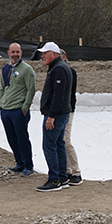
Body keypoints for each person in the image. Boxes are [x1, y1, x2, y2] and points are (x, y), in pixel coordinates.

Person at [36, 42, 74, 191]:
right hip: (61, 113)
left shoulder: (58, 69)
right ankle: (62, 177)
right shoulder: (58, 67)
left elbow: (58, 96)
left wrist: (51, 116)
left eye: (45, 53)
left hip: (56, 115)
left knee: (49, 145)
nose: (42, 56)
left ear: (54, 54)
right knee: (58, 144)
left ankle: (54, 180)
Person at [0, 42, 35, 176]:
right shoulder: (5, 69)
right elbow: (2, 87)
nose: (15, 55)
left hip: (19, 110)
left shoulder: (27, 69)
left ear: (21, 53)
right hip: (6, 110)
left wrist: (25, 108)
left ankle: (28, 166)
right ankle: (19, 163)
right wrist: (1, 105)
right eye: (12, 52)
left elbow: (31, 90)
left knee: (22, 138)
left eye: (17, 52)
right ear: (8, 53)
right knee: (11, 138)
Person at [60, 49, 82, 185]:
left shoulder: (70, 72)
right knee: (61, 141)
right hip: (60, 110)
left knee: (66, 140)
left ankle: (76, 172)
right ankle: (67, 170)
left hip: (67, 109)